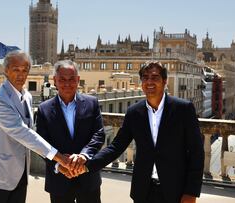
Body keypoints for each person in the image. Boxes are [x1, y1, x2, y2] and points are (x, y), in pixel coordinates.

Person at [84, 61, 204, 203]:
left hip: (176, 191)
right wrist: (86, 165)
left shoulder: (183, 109)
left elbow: (197, 152)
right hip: (143, 191)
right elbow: (116, 147)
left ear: (164, 81)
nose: (149, 82)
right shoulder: (134, 112)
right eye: (145, 78)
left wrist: (191, 192)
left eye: (155, 77)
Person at [0, 51, 70, 203]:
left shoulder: (27, 96)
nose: (21, 74)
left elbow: (31, 136)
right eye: (16, 69)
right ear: (6, 71)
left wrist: (57, 163)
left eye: (24, 70)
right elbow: (21, 132)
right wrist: (59, 156)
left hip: (19, 177)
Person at [36, 60, 105, 203]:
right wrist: (58, 164)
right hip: (59, 181)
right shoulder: (44, 109)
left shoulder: (92, 103)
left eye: (71, 79)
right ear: (55, 81)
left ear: (78, 80)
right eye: (62, 79)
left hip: (88, 178)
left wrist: (84, 156)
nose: (67, 83)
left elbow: (98, 134)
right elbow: (42, 144)